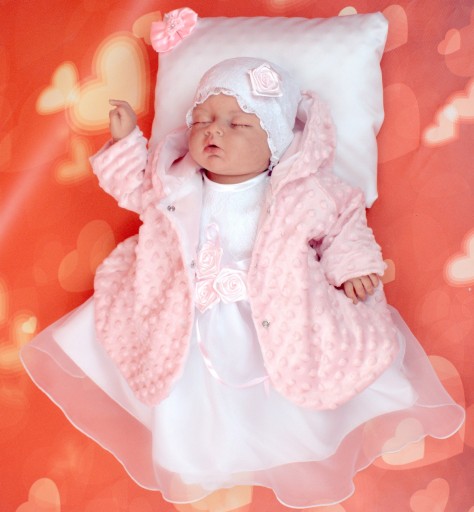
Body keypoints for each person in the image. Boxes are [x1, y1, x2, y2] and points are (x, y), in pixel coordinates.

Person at [21, 57, 464, 508]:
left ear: (275, 141)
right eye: (202, 120)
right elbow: (136, 187)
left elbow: (342, 219)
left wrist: (351, 264)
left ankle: (285, 442)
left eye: (238, 124)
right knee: (188, 394)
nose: (214, 130)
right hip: (188, 316)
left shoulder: (298, 191)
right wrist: (125, 140)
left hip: (276, 313)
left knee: (288, 384)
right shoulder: (175, 184)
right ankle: (201, 451)